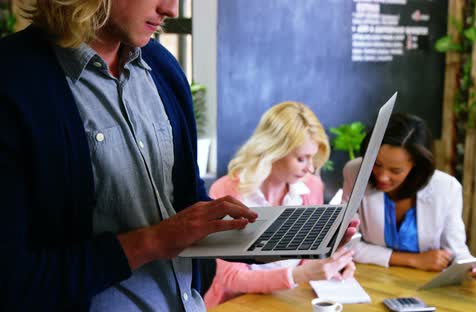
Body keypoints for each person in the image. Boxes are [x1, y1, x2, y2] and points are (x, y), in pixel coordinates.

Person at [0, 1, 357, 310]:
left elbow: (187, 212)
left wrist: (278, 241)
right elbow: (12, 282)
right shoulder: (12, 80)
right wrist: (152, 241)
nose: (170, 8)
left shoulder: (162, 67)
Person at [205, 101, 356, 308]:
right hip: (235, 304)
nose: (310, 168)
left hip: (289, 301)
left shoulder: (310, 187)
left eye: (313, 159)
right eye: (302, 159)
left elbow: (307, 258)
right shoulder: (226, 191)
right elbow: (231, 278)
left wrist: (332, 264)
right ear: (273, 150)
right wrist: (299, 274)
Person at [342, 113, 476, 282]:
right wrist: (415, 261)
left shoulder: (447, 189)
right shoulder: (356, 172)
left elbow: (455, 250)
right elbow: (346, 244)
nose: (382, 177)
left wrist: (474, 267)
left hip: (424, 285)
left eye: (395, 171)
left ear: (416, 166)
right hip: (371, 278)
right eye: (376, 164)